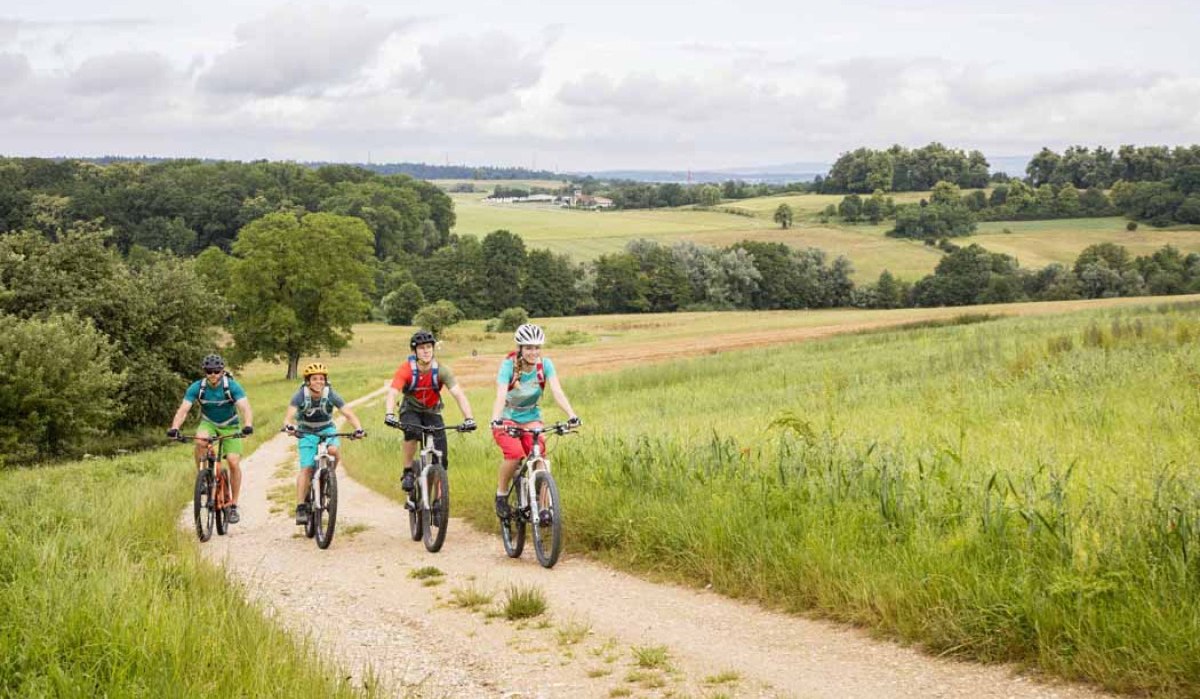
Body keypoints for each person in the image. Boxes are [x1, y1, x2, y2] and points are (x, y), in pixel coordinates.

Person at [489, 323, 580, 519]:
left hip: (531, 417)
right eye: (528, 347)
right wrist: (496, 420)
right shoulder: (508, 366)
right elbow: (500, 394)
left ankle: (544, 507)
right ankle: (502, 494)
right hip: (507, 418)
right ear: (520, 348)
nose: (533, 352)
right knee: (514, 454)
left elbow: (557, 391)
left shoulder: (545, 365)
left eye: (537, 347)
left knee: (541, 456)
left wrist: (571, 415)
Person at [384, 330, 476, 493]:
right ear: (415, 352)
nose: (426, 351)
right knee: (411, 431)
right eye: (421, 348)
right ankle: (408, 472)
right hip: (410, 410)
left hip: (432, 412)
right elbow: (393, 392)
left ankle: (439, 500)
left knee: (442, 458)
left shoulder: (441, 370)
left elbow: (458, 394)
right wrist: (389, 414)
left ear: (433, 349)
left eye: (428, 347)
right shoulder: (406, 370)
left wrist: (469, 418)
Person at [167, 354, 254, 524]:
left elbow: (245, 408)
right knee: (200, 440)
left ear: (222, 371)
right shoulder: (197, 388)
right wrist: (175, 428)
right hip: (209, 424)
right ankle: (203, 475)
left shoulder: (232, 387)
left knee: (233, 462)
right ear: (204, 372)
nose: (213, 374)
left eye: (216, 371)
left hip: (230, 425)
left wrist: (248, 424)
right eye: (209, 371)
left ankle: (234, 505)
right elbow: (183, 409)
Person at [282, 362, 365, 525]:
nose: (318, 382)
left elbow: (348, 413)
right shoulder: (300, 395)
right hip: (306, 432)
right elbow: (288, 417)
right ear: (308, 381)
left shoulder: (330, 394)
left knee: (333, 451)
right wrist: (290, 427)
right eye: (314, 379)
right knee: (306, 468)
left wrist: (358, 429)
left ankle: (328, 477)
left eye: (321, 379)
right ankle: (300, 507)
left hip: (327, 429)